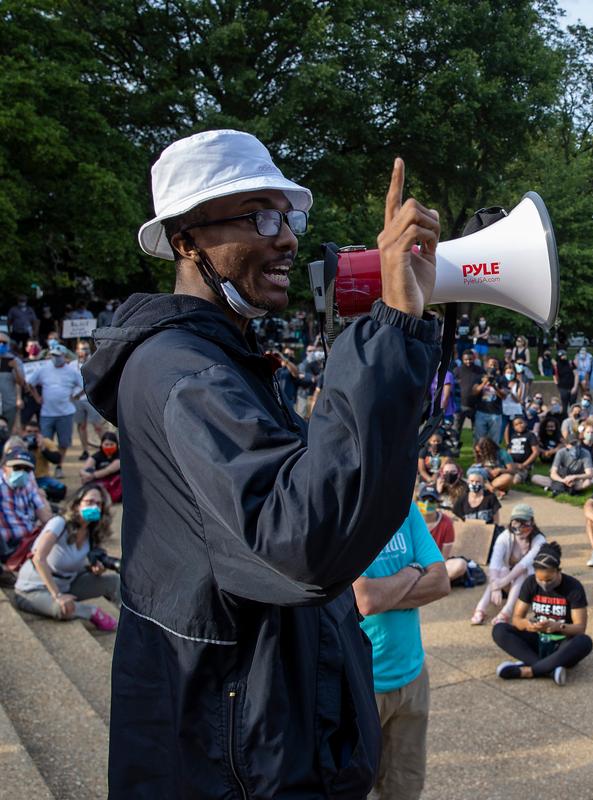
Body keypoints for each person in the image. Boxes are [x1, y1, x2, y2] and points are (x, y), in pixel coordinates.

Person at [81, 132, 440, 796]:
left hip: (249, 736)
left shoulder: (212, 361)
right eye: (259, 217)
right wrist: (389, 332)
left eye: (289, 217)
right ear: (187, 240)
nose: (288, 239)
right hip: (239, 760)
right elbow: (300, 541)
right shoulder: (187, 376)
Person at [352, 504, 450, 800]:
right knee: (353, 785)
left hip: (412, 676)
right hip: (362, 683)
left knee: (405, 787)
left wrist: (385, 592)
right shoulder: (348, 512)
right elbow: (365, 600)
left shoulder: (407, 509)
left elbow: (441, 582)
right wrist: (412, 572)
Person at [12, 482, 119, 630]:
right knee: (62, 608)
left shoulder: (91, 532)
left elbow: (73, 562)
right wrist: (57, 595)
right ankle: (91, 612)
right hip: (33, 589)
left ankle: (133, 619)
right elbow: (38, 558)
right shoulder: (59, 523)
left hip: (67, 583)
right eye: (89, 502)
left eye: (98, 504)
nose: (94, 507)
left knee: (114, 581)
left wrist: (93, 568)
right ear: (77, 505)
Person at [492, 542, 592, 685]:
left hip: (561, 644)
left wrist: (558, 627)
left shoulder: (573, 587)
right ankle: (549, 669)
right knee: (499, 629)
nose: (544, 584)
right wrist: (529, 625)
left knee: (584, 642)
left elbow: (580, 628)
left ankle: (528, 670)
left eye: (549, 579)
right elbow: (517, 619)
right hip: (538, 639)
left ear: (559, 571)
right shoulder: (530, 583)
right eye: (540, 579)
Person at [471, 504, 546, 625]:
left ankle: (506, 611)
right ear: (511, 523)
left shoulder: (539, 540)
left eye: (525, 523)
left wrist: (501, 583)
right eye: (517, 522)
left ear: (532, 522)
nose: (521, 528)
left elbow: (523, 565)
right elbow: (494, 564)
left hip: (530, 584)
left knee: (522, 572)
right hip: (508, 582)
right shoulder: (504, 536)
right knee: (502, 570)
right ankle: (481, 608)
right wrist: (496, 586)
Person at [0, 448, 53, 586]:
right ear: (5, 467)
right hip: (6, 544)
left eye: (27, 469)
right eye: (17, 467)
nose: (22, 472)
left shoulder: (28, 484)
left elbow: (45, 516)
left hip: (28, 540)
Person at [29, 346, 82, 455]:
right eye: (53, 355)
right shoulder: (43, 369)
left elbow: (84, 385)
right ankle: (46, 465)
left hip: (65, 413)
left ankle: (59, 466)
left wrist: (76, 396)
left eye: (58, 355)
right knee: (45, 442)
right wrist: (37, 397)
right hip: (47, 413)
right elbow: (30, 383)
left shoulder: (71, 371)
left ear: (64, 356)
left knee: (63, 443)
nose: (55, 358)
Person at [547, 429, 593, 496]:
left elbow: (590, 474)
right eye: (572, 444)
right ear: (566, 445)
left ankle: (560, 488)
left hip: (577, 479)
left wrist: (574, 477)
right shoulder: (561, 452)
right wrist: (563, 480)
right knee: (535, 478)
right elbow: (553, 473)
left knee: (589, 482)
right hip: (562, 478)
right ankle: (567, 488)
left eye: (577, 443)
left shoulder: (585, 453)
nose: (575, 446)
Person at [80, 431, 122, 502]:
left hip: (116, 482)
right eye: (106, 444)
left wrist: (92, 475)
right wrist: (85, 474)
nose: (109, 447)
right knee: (88, 472)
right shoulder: (98, 455)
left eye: (111, 444)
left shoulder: (120, 455)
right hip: (101, 481)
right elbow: (84, 469)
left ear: (116, 445)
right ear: (102, 445)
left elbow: (109, 470)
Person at [0, 331, 28, 424]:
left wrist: (15, 368)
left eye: (3, 342)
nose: (1, 344)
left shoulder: (15, 360)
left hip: (8, 404)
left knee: (7, 435)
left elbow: (21, 383)